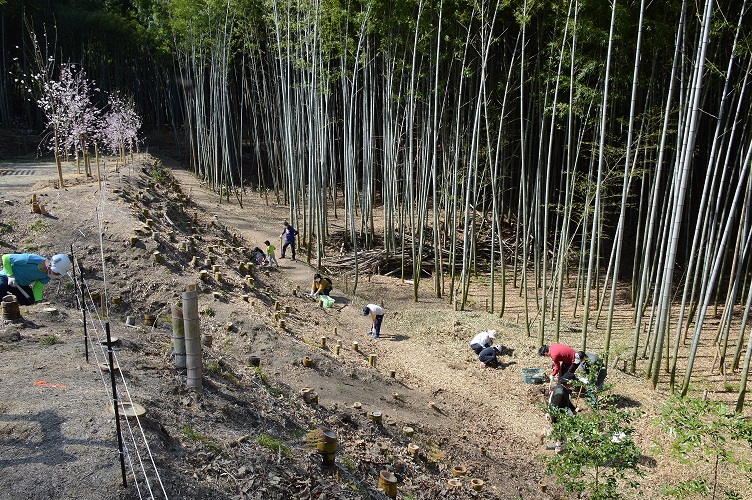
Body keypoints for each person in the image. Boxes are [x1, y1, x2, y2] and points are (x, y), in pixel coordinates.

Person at [0, 253, 72, 306]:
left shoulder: (48, 276)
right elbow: (5, 258)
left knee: (29, 303)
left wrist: (38, 301)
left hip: (20, 285)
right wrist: (10, 276)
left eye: (58, 274)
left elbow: (38, 287)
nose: (56, 275)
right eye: (57, 273)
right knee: (1, 288)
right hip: (5, 277)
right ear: (51, 266)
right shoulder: (30, 259)